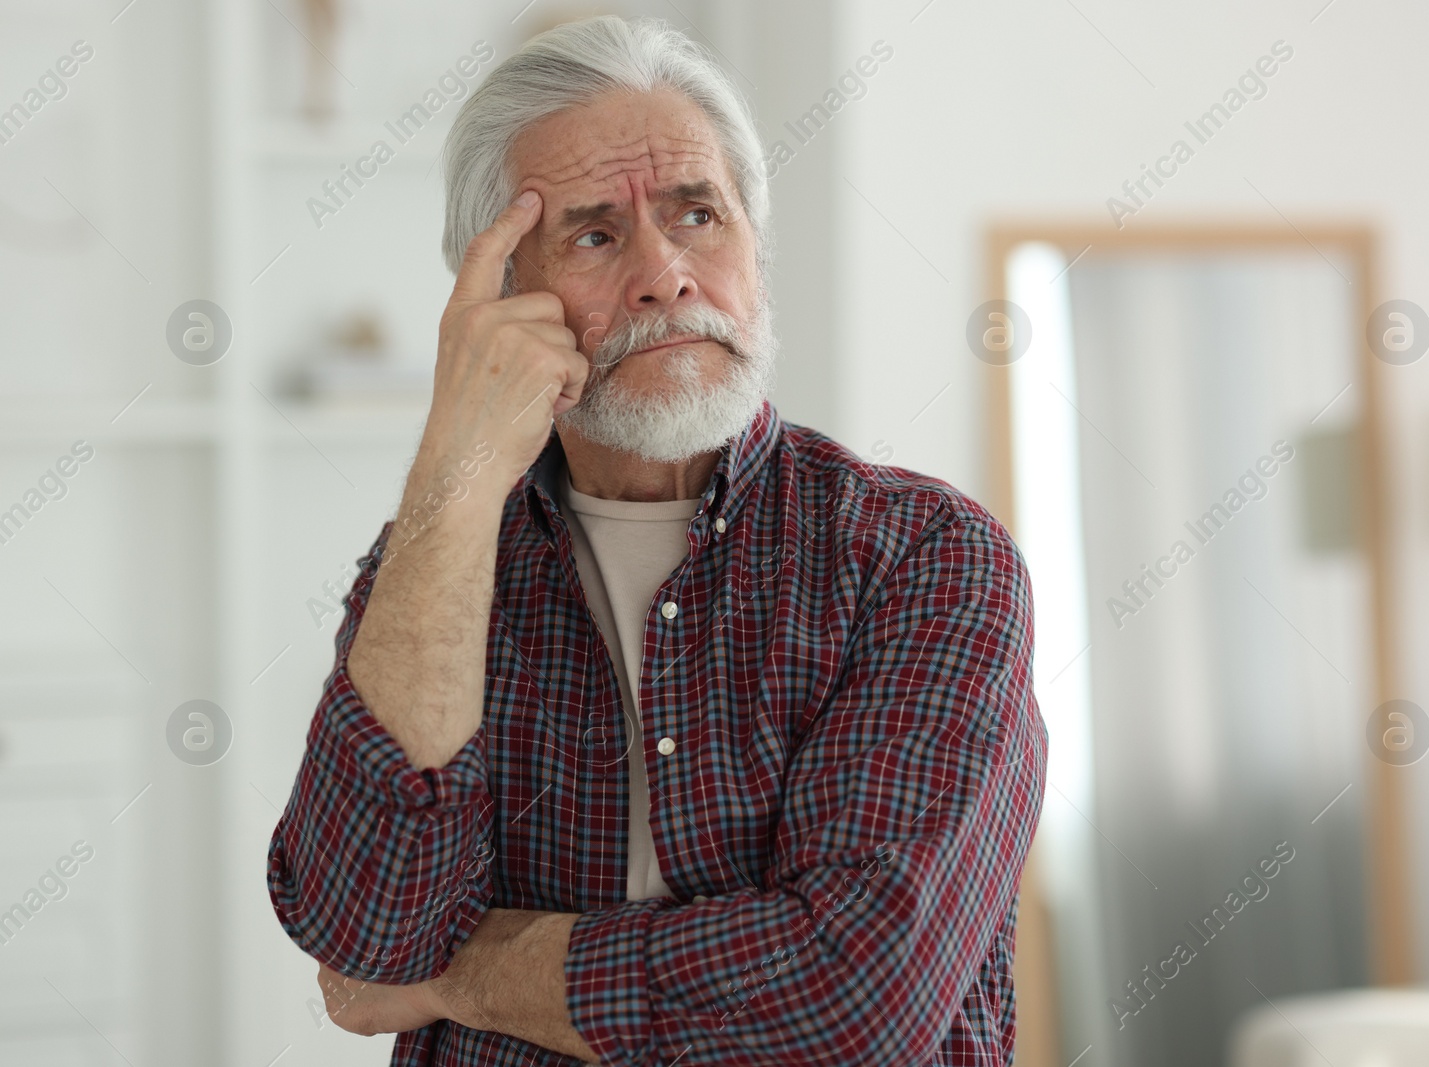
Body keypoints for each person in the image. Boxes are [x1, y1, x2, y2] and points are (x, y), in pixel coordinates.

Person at [267, 15, 1045, 1065]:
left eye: (697, 215)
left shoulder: (922, 554)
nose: (665, 273)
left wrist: (454, 973)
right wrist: (455, 465)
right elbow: (364, 927)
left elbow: (855, 996)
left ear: (754, 250)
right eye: (593, 233)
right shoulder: (433, 564)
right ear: (501, 299)